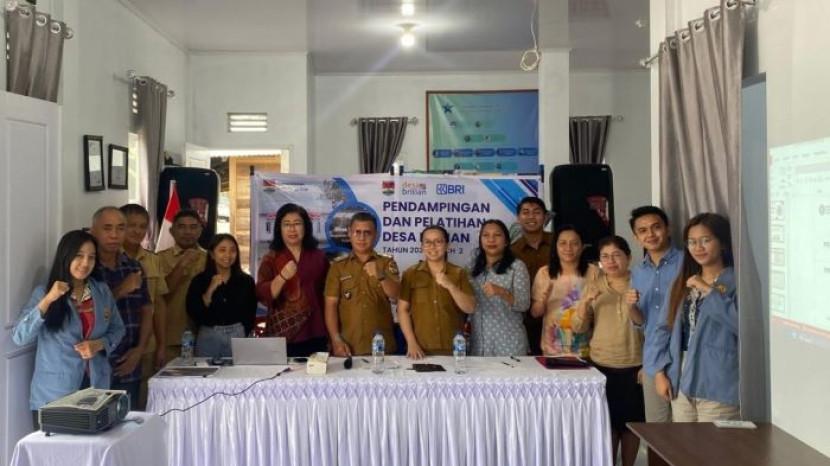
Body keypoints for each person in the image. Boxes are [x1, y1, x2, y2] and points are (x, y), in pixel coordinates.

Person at [12, 230, 125, 429]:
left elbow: (118, 329)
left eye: (91, 257)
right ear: (66, 256)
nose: (85, 263)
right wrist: (48, 300)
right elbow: (20, 337)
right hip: (54, 394)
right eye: (79, 255)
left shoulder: (101, 290)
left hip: (96, 389)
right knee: (54, 448)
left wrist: (100, 344)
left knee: (92, 447)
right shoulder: (44, 292)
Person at [652, 213, 739, 422]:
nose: (698, 247)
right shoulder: (683, 281)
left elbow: (742, 325)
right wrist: (659, 372)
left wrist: (709, 291)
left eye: (705, 240)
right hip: (680, 375)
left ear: (722, 243)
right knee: (683, 441)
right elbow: (662, 328)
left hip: (718, 379)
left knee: (714, 442)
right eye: (692, 242)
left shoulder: (736, 281)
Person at [572, 236, 644, 466]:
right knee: (607, 424)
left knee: (632, 425)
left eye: (616, 255)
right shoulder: (594, 285)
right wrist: (585, 302)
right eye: (605, 256)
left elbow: (652, 325)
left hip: (635, 365)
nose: (611, 261)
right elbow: (578, 327)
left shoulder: (641, 281)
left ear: (628, 257)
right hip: (601, 365)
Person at [90, 206, 153, 410]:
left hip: (129, 360)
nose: (114, 235)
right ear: (94, 231)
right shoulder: (87, 268)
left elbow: (147, 310)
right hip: (96, 363)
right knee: (96, 421)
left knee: (128, 422)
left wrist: (140, 350)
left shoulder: (133, 266)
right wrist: (120, 290)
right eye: (107, 228)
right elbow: (87, 313)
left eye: (120, 228)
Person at [627, 206, 682, 423]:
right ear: (636, 237)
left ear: (668, 228)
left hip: (682, 354)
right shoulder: (638, 272)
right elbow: (642, 322)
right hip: (652, 357)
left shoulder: (687, 262)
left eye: (656, 227)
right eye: (642, 231)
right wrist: (630, 307)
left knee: (688, 431)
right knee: (657, 431)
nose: (650, 234)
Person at [256, 203, 329, 356]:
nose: (292, 229)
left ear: (305, 227)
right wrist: (282, 277)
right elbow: (263, 295)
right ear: (279, 228)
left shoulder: (319, 257)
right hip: (282, 336)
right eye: (286, 224)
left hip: (316, 331)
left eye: (297, 224)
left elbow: (329, 295)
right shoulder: (271, 258)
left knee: (317, 372)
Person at [324, 212, 400, 356]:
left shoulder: (386, 263)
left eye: (367, 233)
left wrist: (381, 276)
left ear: (375, 234)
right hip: (349, 347)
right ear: (349, 233)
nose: (361, 238)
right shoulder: (338, 267)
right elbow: (331, 305)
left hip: (382, 346)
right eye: (357, 232)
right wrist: (336, 339)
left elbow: (397, 295)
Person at [398, 225, 476, 358]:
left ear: (447, 246)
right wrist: (411, 342)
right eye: (427, 242)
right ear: (422, 247)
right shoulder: (410, 274)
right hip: (420, 350)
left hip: (454, 349)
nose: (433, 246)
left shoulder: (459, 273)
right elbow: (402, 310)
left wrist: (450, 286)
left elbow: (470, 308)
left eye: (438, 241)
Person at [120, 203, 168, 409]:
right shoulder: (107, 258)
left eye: (142, 226)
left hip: (147, 344)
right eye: (131, 225)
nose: (137, 231)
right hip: (117, 344)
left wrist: (162, 344)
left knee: (143, 402)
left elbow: (159, 304)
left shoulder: (152, 260)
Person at [529, 225, 597, 357]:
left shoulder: (594, 272)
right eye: (563, 243)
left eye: (574, 243)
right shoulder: (545, 273)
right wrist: (543, 299)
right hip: (552, 347)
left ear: (582, 246)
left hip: (585, 348)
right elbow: (535, 313)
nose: (568, 248)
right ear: (555, 246)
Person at [186, 234, 257, 358]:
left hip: (238, 335)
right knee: (206, 370)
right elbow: (193, 312)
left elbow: (251, 312)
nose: (228, 255)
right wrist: (210, 290)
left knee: (239, 370)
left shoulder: (246, 281)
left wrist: (242, 332)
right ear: (212, 254)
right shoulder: (199, 280)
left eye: (232, 250)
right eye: (222, 250)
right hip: (209, 335)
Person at [468, 220, 531, 356]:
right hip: (479, 343)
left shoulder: (517, 267)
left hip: (509, 343)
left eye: (497, 235)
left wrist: (502, 292)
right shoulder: (471, 267)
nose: (491, 240)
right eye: (486, 235)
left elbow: (524, 305)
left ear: (506, 241)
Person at [158, 209, 207, 363]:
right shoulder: (159, 259)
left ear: (200, 230)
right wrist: (182, 265)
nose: (188, 232)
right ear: (172, 231)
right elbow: (162, 293)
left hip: (203, 336)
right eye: (182, 227)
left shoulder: (210, 259)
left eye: (193, 227)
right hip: (171, 337)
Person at [510, 197, 552, 355]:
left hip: (559, 315)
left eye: (536, 212)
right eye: (526, 212)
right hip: (525, 320)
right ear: (518, 218)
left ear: (545, 217)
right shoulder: (511, 251)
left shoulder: (559, 244)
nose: (531, 217)